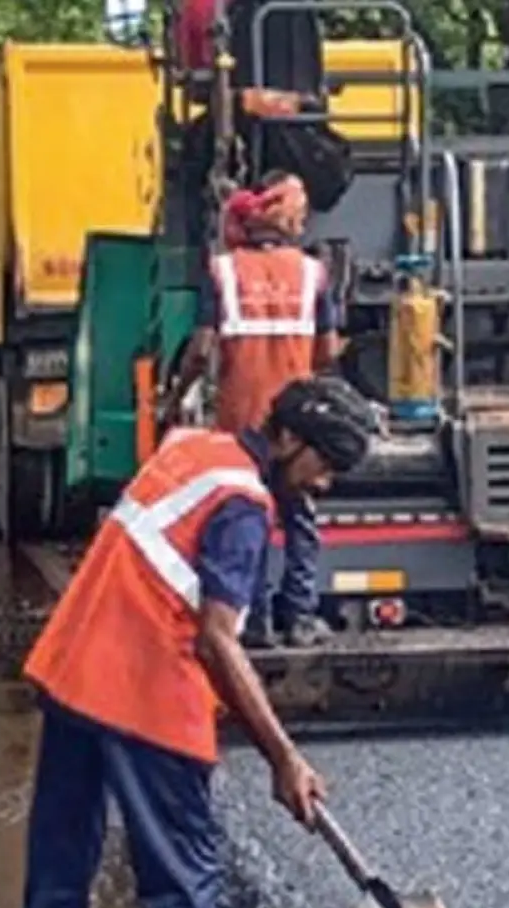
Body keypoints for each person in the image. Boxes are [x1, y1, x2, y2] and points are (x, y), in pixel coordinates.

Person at [8, 376, 378, 908]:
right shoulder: (243, 505)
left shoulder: (194, 449)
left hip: (75, 670)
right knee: (184, 882)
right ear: (290, 442)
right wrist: (283, 756)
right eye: (326, 463)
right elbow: (216, 638)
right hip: (143, 693)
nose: (326, 482)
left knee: (60, 867)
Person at [171, 174, 347, 647]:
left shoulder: (223, 271)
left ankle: (256, 622)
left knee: (250, 523)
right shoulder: (314, 273)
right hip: (299, 427)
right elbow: (328, 351)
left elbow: (201, 348)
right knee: (300, 519)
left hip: (242, 425)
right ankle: (302, 617)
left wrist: (176, 397)